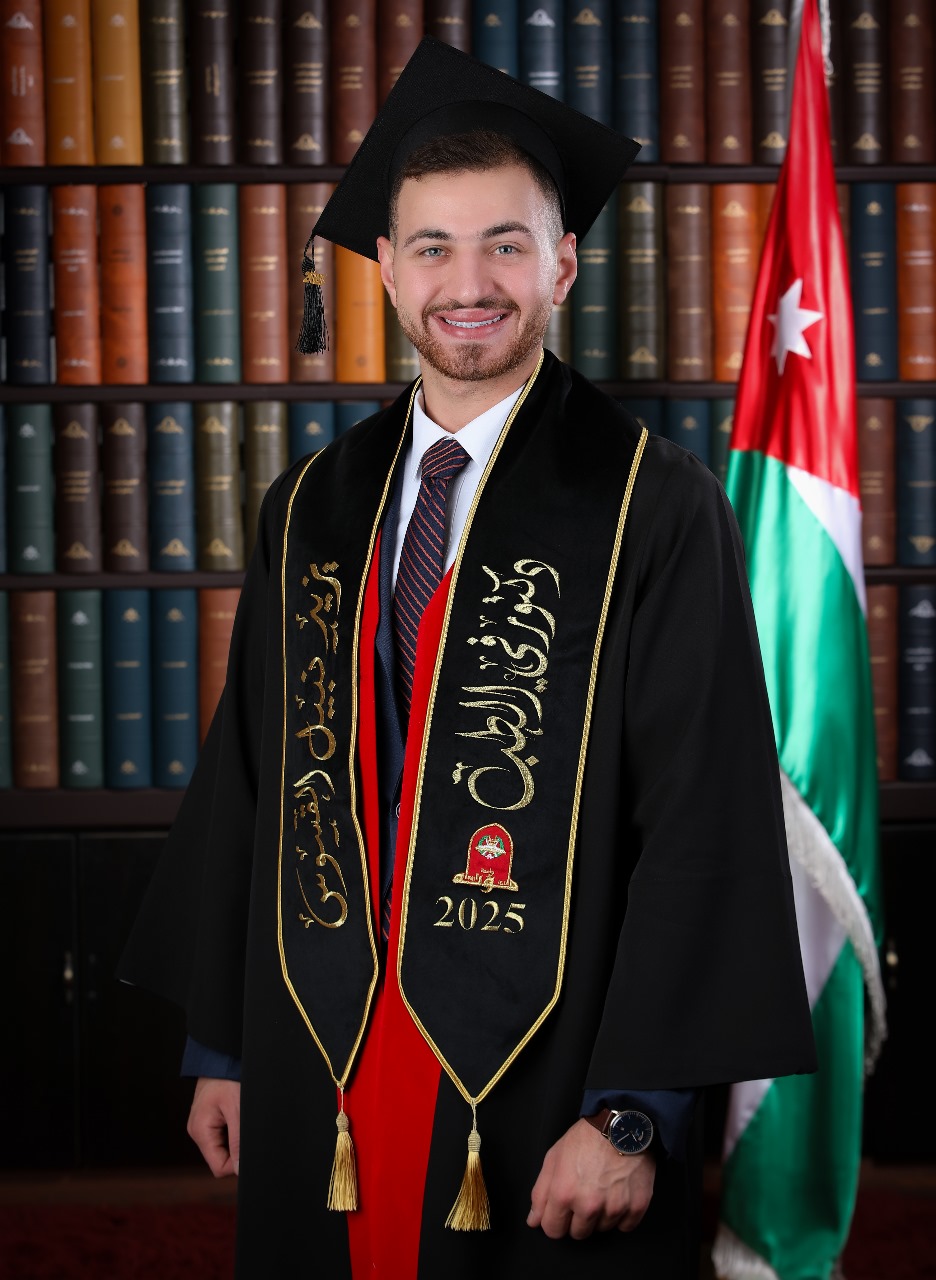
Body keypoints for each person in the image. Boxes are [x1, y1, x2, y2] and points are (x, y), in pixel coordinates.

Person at [120, 37, 816, 1279]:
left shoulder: (652, 506)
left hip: (545, 1057)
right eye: (433, 247)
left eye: (505, 244)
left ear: (563, 264)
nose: (469, 283)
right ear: (387, 268)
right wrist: (226, 1045)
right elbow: (253, 781)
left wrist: (634, 1110)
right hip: (324, 1041)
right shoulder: (312, 506)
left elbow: (701, 815)